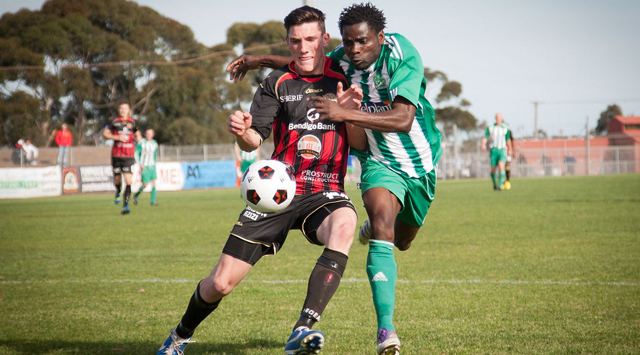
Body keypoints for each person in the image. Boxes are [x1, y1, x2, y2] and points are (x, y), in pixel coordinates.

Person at [226, 4, 442, 354]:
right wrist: (257, 60)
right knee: (384, 228)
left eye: (363, 42)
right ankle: (386, 331)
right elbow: (304, 64)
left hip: (420, 163)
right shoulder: (344, 59)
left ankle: (378, 227)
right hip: (377, 161)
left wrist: (344, 111)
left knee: (402, 239)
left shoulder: (402, 54)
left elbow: (402, 119)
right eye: (349, 43)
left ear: (380, 38)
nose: (355, 50)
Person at [157, 6, 364, 355]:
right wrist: (241, 132)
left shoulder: (344, 77)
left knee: (345, 224)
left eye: (311, 39)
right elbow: (255, 139)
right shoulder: (276, 83)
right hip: (276, 191)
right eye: (296, 41)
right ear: (288, 42)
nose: (304, 47)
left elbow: (357, 142)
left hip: (324, 191)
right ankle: (180, 335)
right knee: (220, 284)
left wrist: (349, 113)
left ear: (324, 39)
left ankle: (302, 330)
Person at [102, 101, 137, 215]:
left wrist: (141, 141)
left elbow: (137, 134)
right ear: (119, 110)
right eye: (121, 108)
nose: (123, 110)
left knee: (128, 181)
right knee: (117, 180)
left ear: (129, 110)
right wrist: (116, 137)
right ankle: (117, 191)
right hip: (117, 155)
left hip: (128, 156)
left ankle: (125, 206)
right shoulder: (114, 122)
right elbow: (105, 134)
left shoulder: (133, 122)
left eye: (125, 108)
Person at [481, 113, 512, 191]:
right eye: (497, 118)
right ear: (495, 119)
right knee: (493, 170)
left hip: (502, 150)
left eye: (499, 118)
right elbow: (485, 137)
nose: (498, 119)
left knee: (501, 166)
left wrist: (510, 149)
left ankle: (501, 185)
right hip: (493, 150)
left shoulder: (506, 128)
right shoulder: (491, 128)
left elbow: (508, 140)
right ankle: (495, 184)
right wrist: (483, 144)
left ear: (502, 119)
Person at [134, 128, 159, 206]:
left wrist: (155, 163)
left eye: (150, 133)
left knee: (154, 183)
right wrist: (140, 164)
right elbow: (136, 153)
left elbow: (155, 154)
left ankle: (153, 201)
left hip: (152, 166)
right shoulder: (142, 142)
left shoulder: (155, 143)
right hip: (144, 166)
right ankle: (136, 195)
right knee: (145, 184)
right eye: (147, 133)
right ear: (145, 134)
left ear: (153, 135)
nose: (149, 135)